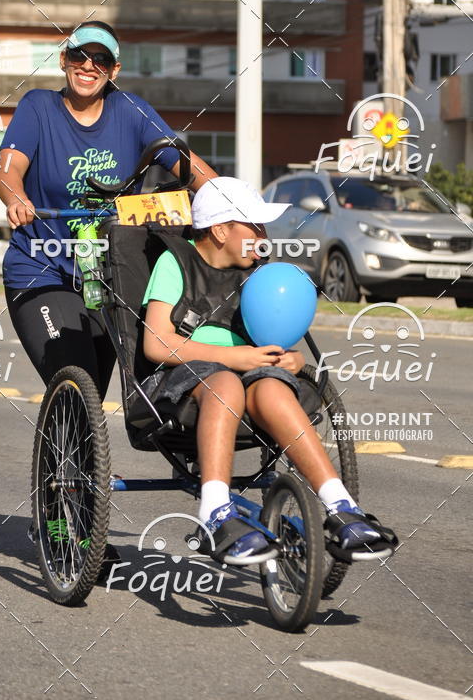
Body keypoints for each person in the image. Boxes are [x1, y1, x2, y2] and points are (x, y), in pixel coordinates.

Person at [142, 176, 396, 563]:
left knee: (273, 388)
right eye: (253, 226)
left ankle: (341, 508)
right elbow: (155, 342)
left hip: (248, 370)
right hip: (185, 376)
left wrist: (287, 358)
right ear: (221, 229)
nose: (263, 235)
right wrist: (234, 358)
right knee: (226, 383)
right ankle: (214, 513)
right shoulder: (174, 262)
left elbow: (272, 329)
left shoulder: (257, 272)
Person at [0, 21, 217, 396]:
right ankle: (67, 446)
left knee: (93, 390)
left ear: (114, 69)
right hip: (43, 269)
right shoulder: (39, 106)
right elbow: (8, 169)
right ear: (64, 60)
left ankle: (78, 454)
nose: (88, 65)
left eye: (101, 59)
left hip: (111, 274)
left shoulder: (131, 111)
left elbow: (189, 166)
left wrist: (226, 201)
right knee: (74, 374)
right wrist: (16, 197)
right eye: (80, 55)